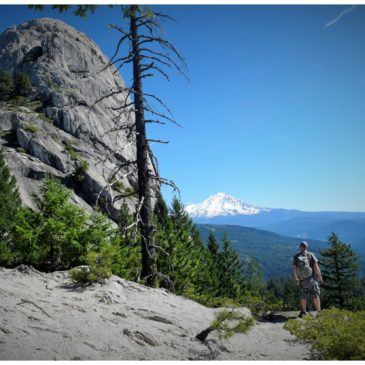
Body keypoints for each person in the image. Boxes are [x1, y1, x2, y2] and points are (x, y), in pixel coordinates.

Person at [293, 241, 323, 318]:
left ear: (300, 247)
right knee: (315, 296)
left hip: (302, 280)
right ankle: (319, 312)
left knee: (303, 296)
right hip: (312, 280)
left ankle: (303, 312)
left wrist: (296, 279)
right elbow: (316, 268)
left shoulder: (296, 257)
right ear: (307, 247)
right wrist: (320, 278)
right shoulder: (311, 255)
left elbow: (294, 269)